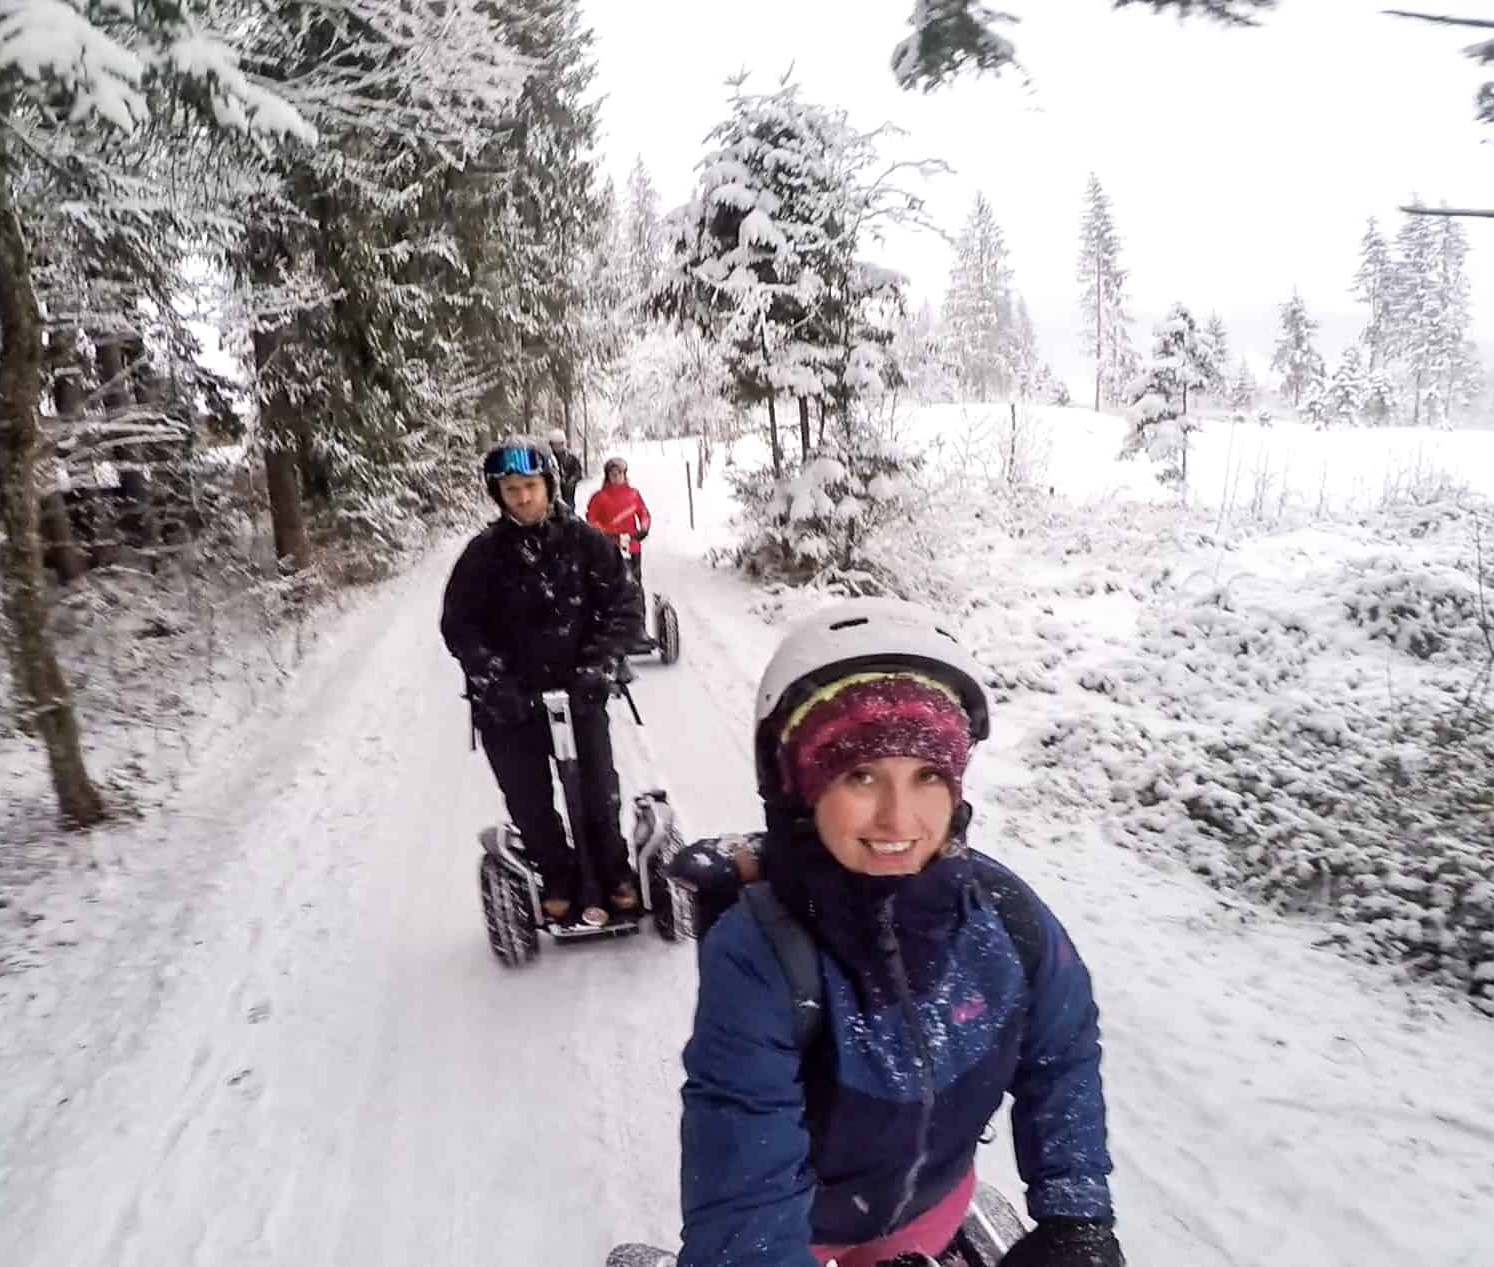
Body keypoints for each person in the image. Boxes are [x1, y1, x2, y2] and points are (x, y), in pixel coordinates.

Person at [676, 598, 1122, 1267]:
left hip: (937, 1208)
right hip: (806, 1228)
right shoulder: (760, 952)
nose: (897, 817)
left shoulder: (1005, 914)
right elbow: (743, 1163)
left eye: (927, 776)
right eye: (860, 775)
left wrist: (1075, 1211)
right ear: (799, 785)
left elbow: (1061, 1053)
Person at [440, 436, 646, 926]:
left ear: (549, 486)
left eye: (530, 486)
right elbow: (460, 627)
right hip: (512, 701)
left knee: (599, 787)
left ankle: (612, 870)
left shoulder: (586, 544)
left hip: (580, 688)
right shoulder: (482, 556)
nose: (523, 498)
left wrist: (599, 664)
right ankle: (556, 874)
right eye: (511, 489)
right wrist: (494, 680)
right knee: (528, 797)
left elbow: (624, 606)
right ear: (498, 495)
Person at [584, 456, 655, 652]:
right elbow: (591, 519)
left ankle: (638, 630)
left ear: (625, 475)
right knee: (610, 586)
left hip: (631, 546)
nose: (616, 477)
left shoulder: (633, 494)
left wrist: (643, 529)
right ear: (607, 476)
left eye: (620, 474)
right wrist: (603, 533)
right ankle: (608, 629)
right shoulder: (599, 497)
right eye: (613, 474)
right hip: (608, 547)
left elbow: (644, 514)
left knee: (635, 585)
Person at [548, 428, 584, 514]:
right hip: (553, 494)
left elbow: (578, 472)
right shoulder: (549, 458)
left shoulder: (571, 458)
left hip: (568, 494)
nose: (557, 447)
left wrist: (571, 481)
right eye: (555, 444)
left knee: (568, 512)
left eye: (559, 444)